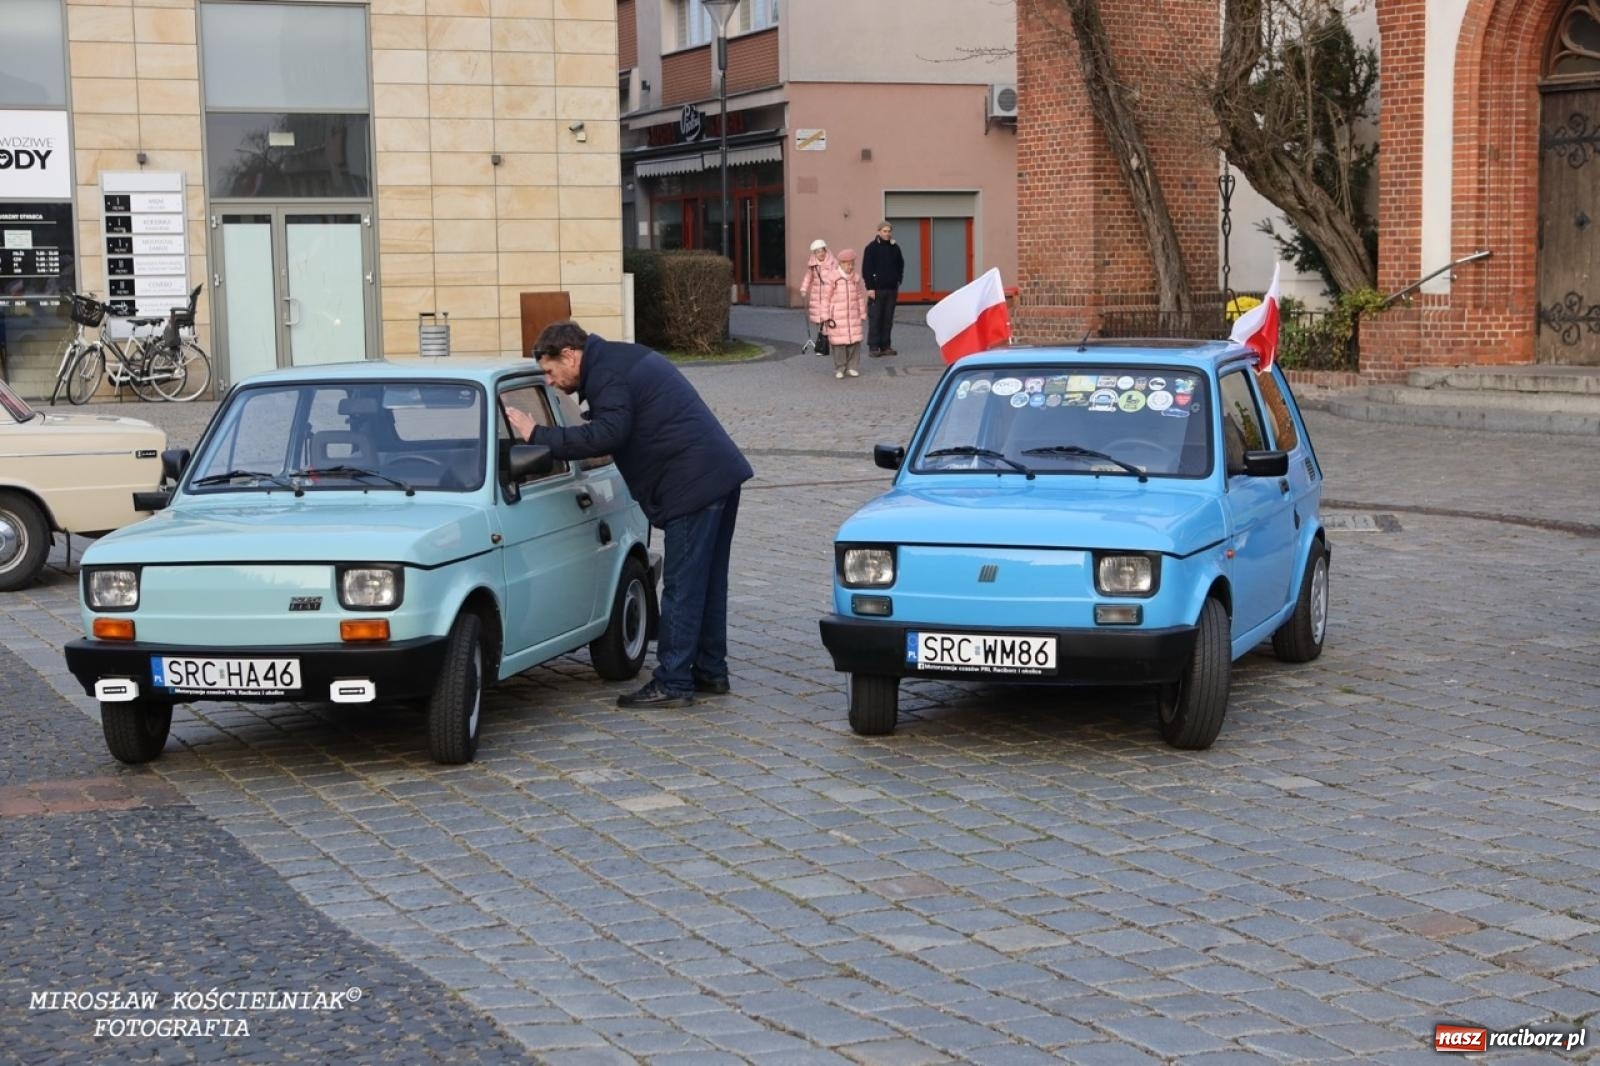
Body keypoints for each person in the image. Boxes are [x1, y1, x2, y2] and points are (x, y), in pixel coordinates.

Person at [506, 321, 753, 708]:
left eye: (551, 372)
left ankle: (673, 681)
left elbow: (608, 434)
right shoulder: (618, 360)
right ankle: (709, 671)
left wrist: (538, 435)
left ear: (569, 355)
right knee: (705, 583)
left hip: (693, 484)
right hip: (716, 474)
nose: (551, 382)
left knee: (684, 586)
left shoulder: (607, 373)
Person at [861, 221, 905, 357]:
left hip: (891, 289)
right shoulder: (871, 248)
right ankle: (874, 347)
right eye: (884, 231)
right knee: (875, 318)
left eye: (889, 231)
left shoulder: (895, 247)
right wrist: (870, 287)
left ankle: (885, 346)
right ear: (879, 231)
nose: (887, 234)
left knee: (888, 319)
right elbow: (866, 269)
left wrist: (898, 279)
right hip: (876, 290)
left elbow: (901, 264)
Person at [825, 249, 869, 379]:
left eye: (852, 264)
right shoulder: (833, 278)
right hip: (837, 317)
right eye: (848, 264)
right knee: (839, 344)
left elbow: (860, 296)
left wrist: (862, 313)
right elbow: (826, 298)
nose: (851, 267)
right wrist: (825, 316)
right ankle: (840, 368)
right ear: (841, 264)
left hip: (853, 316)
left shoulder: (855, 279)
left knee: (854, 343)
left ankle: (852, 367)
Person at [798, 239, 838, 346]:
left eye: (822, 251)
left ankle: (830, 340)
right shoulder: (813, 265)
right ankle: (822, 341)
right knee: (819, 319)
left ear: (825, 250)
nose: (820, 254)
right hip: (817, 296)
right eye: (817, 252)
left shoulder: (833, 263)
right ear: (814, 253)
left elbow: (837, 277)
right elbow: (808, 277)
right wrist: (803, 289)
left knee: (829, 318)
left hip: (830, 295)